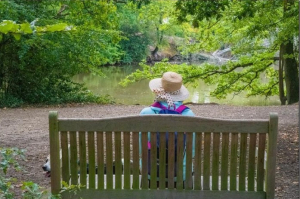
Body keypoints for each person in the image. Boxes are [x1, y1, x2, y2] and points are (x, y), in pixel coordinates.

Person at [139, 71, 195, 187]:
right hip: (180, 175)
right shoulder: (189, 115)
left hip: (151, 173)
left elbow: (141, 147)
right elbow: (192, 150)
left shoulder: (146, 113)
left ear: (158, 90)